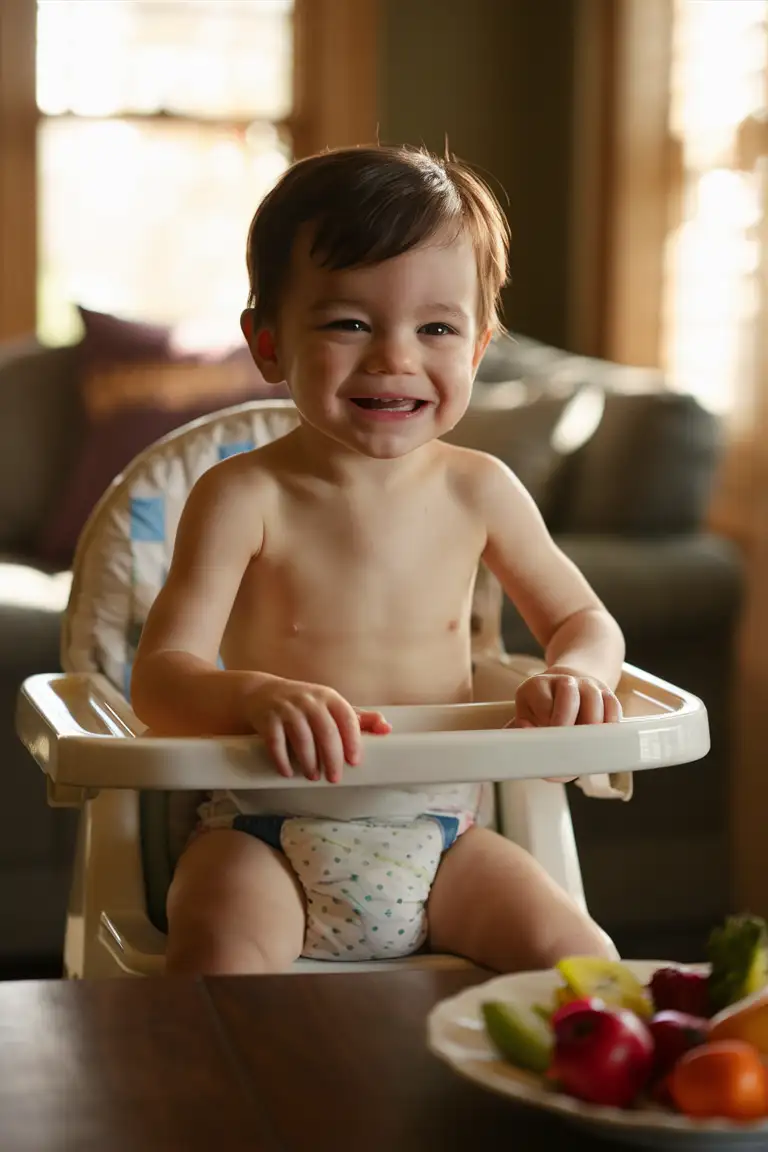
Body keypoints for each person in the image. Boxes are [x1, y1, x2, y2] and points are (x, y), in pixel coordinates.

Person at [131, 145, 625, 976]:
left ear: (477, 348)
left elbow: (583, 620)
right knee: (217, 964)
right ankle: (225, 1109)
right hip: (264, 834)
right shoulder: (241, 496)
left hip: (442, 839)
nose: (395, 357)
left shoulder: (483, 491)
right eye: (347, 323)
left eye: (436, 327)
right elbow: (160, 678)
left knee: (583, 964)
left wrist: (579, 673)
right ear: (267, 343)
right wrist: (252, 696)